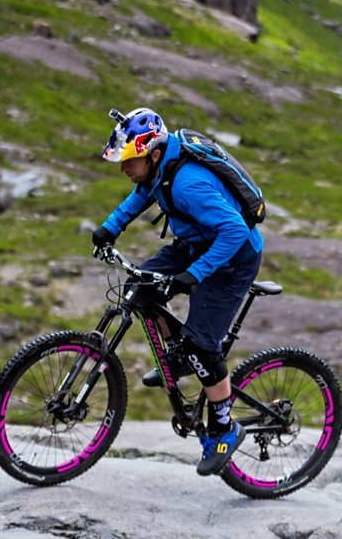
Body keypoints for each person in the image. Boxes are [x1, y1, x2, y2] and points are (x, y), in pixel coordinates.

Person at [92, 107, 264, 476]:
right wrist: (110, 228)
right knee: (141, 289)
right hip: (194, 244)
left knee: (202, 343)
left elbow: (234, 231)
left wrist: (194, 275)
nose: (124, 167)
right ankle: (178, 357)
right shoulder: (159, 169)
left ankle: (223, 428)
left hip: (232, 258)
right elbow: (142, 194)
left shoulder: (189, 185)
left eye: (129, 160)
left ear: (153, 154)